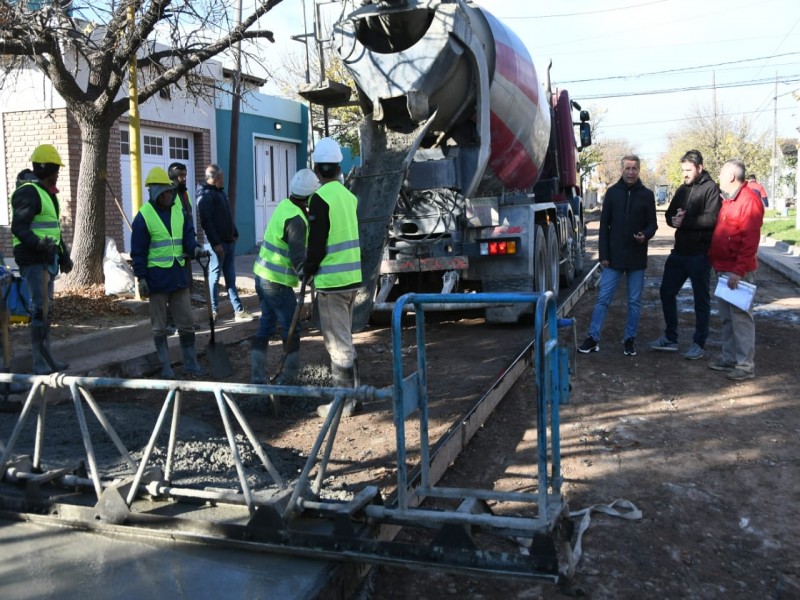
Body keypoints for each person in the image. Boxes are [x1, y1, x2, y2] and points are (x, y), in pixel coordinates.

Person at [131, 167, 207, 378]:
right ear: (154, 193)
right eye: (163, 192)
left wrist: (195, 248)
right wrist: (141, 278)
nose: (167, 195)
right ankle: (165, 366)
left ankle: (190, 363)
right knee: (159, 328)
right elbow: (138, 252)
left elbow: (188, 238)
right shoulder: (144, 217)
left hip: (178, 278)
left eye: (168, 191)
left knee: (186, 323)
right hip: (156, 280)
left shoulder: (178, 211)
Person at [578, 155, 657, 356]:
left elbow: (652, 224)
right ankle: (592, 338)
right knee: (603, 299)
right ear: (622, 169)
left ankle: (630, 339)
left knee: (634, 301)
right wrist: (603, 254)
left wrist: (645, 235)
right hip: (613, 258)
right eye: (627, 168)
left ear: (639, 170)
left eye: (634, 168)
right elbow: (604, 226)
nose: (631, 172)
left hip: (636, 258)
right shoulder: (613, 193)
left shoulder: (647, 195)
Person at [306, 138, 363, 418]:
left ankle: (344, 403)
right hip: (352, 279)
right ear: (339, 167)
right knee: (346, 338)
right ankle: (356, 394)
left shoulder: (320, 199)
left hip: (332, 282)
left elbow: (317, 243)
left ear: (317, 168)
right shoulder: (349, 197)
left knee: (337, 344)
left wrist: (308, 268)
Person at [251, 168, 319, 385]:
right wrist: (307, 276)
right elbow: (298, 256)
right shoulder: (297, 220)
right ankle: (290, 374)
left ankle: (258, 375)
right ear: (309, 196)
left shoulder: (284, 205)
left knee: (267, 323)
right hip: (276, 281)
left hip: (262, 275)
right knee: (291, 325)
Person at [650, 150, 720, 360]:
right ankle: (671, 337)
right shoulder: (682, 189)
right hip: (679, 253)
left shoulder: (711, 189)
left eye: (688, 170)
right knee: (666, 292)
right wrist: (675, 218)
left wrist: (686, 220)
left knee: (701, 300)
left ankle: (699, 343)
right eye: (683, 170)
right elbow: (670, 215)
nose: (685, 174)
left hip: (700, 255)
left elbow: (712, 219)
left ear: (699, 168)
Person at [10, 144, 73, 374]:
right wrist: (37, 244)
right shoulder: (29, 192)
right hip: (33, 260)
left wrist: (63, 255)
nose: (58, 174)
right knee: (39, 309)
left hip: (46, 259)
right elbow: (19, 227)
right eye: (56, 170)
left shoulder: (46, 193)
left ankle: (47, 360)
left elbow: (53, 231)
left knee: (46, 310)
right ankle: (39, 362)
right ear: (46, 168)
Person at [708, 159, 764, 381]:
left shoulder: (748, 201)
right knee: (727, 317)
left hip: (736, 272)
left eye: (722, 173)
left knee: (740, 317)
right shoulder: (730, 201)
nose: (719, 177)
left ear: (732, 176)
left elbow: (750, 242)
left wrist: (738, 271)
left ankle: (744, 365)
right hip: (723, 268)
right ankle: (729, 357)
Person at [196, 164, 253, 323]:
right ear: (217, 177)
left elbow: (226, 216)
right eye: (222, 177)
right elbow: (206, 222)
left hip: (228, 242)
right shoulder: (205, 195)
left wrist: (234, 233)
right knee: (214, 278)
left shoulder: (220, 193)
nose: (224, 180)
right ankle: (213, 312)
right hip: (218, 246)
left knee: (231, 278)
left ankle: (239, 311)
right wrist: (216, 244)